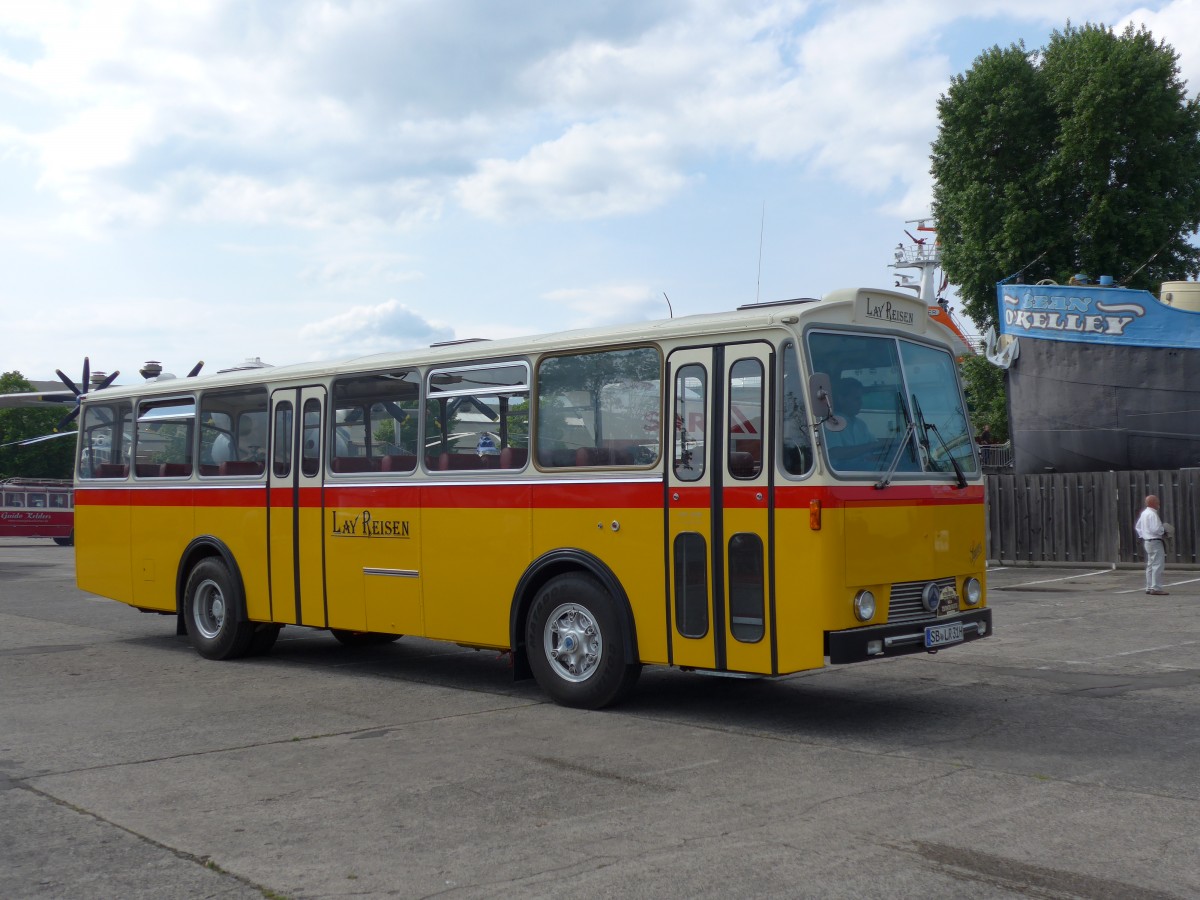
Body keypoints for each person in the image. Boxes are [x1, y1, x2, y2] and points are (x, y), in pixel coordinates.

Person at [824, 377, 874, 463]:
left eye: (861, 398)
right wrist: (871, 446)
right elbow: (835, 453)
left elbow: (874, 447)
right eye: (856, 398)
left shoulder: (861, 425)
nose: (861, 402)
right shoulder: (830, 422)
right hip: (840, 474)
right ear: (841, 399)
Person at [1135, 495, 1169, 595]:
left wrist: (1144, 535)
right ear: (1153, 503)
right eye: (1157, 501)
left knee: (1150, 565)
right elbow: (1156, 529)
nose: (1159, 503)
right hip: (1155, 541)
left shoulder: (1144, 513)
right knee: (1158, 564)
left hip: (1147, 541)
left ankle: (1149, 587)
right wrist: (1163, 530)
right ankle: (1156, 588)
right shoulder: (1153, 514)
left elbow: (1138, 527)